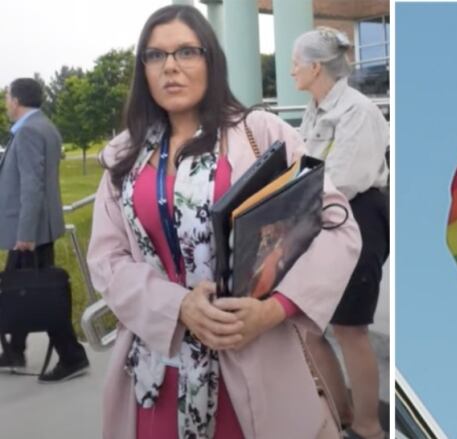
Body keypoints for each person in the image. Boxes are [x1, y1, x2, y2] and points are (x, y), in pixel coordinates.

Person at [86, 6, 361, 439]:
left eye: (186, 52)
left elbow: (338, 225)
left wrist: (275, 308)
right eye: (155, 56)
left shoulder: (262, 133)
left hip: (255, 363)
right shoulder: (124, 155)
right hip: (157, 374)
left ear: (211, 60)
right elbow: (106, 256)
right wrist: (175, 306)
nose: (170, 67)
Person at [293, 27, 390, 439]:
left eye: (296, 62)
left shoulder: (359, 111)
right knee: (310, 326)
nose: (291, 69)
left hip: (358, 217)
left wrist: (294, 198)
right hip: (318, 218)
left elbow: (345, 179)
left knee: (350, 328)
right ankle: (342, 412)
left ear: (315, 67)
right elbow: (301, 161)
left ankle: (368, 427)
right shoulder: (315, 109)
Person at [0, 78, 90, 382]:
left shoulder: (27, 131)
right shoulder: (45, 126)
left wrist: (24, 234)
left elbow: (32, 186)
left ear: (17, 100)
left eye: (8, 97)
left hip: (29, 233)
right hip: (40, 228)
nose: (6, 102)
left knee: (38, 292)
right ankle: (15, 348)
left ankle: (72, 355)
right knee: (20, 286)